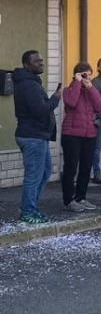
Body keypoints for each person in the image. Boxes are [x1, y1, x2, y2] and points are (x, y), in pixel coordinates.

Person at [12, 50, 59, 224]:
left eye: (41, 60)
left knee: (45, 171)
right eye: (37, 61)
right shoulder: (28, 84)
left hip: (38, 136)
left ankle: (29, 205)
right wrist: (55, 99)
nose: (41, 63)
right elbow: (40, 110)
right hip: (32, 137)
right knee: (34, 176)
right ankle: (28, 211)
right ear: (27, 65)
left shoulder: (31, 82)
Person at [60, 62, 101, 212]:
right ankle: (68, 200)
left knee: (86, 167)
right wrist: (77, 83)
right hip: (71, 134)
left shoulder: (91, 90)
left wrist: (91, 88)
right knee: (71, 167)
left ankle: (81, 197)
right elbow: (71, 102)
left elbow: (100, 107)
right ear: (77, 75)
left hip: (89, 133)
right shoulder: (68, 90)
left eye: (90, 74)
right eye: (85, 74)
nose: (88, 77)